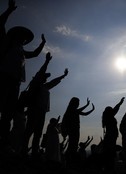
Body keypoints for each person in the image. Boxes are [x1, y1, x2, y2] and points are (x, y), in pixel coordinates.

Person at [0, 0, 46, 149]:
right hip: (4, 78)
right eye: (22, 36)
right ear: (16, 36)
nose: (24, 39)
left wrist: (42, 44)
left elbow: (35, 54)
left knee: (7, 113)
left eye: (25, 38)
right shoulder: (7, 43)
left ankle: (4, 142)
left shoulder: (22, 51)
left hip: (16, 83)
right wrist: (9, 10)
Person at [22, 52, 68, 157]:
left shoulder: (45, 86)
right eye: (44, 77)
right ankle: (23, 150)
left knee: (37, 133)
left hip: (42, 111)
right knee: (29, 131)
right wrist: (46, 61)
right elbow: (41, 72)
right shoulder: (35, 84)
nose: (46, 78)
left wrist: (63, 76)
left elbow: (54, 81)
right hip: (34, 109)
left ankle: (34, 152)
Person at [61, 97, 95, 164]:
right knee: (73, 146)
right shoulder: (73, 111)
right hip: (74, 131)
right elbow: (84, 113)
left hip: (73, 131)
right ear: (74, 103)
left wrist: (88, 105)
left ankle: (68, 161)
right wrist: (91, 108)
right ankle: (69, 161)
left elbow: (82, 111)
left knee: (72, 146)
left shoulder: (71, 110)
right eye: (78, 103)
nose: (78, 104)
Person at [102, 97, 125, 174]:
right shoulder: (110, 117)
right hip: (111, 137)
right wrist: (120, 102)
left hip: (110, 137)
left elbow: (115, 108)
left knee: (110, 154)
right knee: (111, 154)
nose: (113, 110)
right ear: (109, 112)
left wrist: (120, 102)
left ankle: (109, 168)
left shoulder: (107, 117)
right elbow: (116, 108)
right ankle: (110, 169)